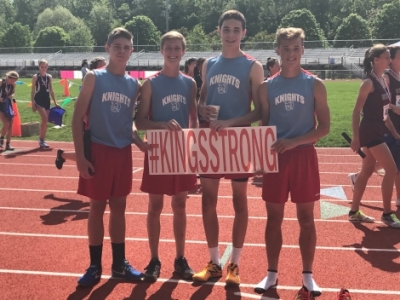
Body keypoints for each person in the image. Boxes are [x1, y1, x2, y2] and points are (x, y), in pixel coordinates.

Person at [254, 27, 330, 298]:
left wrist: (295, 142)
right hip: (276, 158)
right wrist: (259, 157)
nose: (290, 53)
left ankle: (308, 275)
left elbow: (324, 128)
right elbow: (263, 127)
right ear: (277, 50)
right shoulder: (266, 87)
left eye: (296, 48)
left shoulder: (315, 84)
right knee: (273, 218)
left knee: (306, 219)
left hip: (303, 156)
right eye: (285, 48)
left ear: (303, 49)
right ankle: (271, 273)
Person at [192, 10, 264, 286]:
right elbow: (202, 101)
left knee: (239, 203)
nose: (231, 34)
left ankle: (235, 265)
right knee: (207, 201)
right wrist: (202, 109)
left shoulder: (252, 66)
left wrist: (231, 122)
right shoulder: (209, 64)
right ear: (218, 31)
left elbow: (260, 111)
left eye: (236, 30)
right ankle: (213, 262)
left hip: (239, 142)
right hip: (212, 140)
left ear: (244, 33)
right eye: (226, 29)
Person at [72, 27, 147, 287]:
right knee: (96, 208)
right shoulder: (94, 77)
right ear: (108, 48)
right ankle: (94, 266)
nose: (122, 51)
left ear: (132, 51)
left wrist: (140, 144)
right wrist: (80, 157)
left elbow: (130, 123)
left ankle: (119, 264)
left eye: (127, 47)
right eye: (118, 46)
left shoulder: (134, 85)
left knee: (119, 209)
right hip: (99, 149)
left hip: (122, 152)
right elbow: (76, 118)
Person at [135, 30, 199, 282]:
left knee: (180, 205)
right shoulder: (150, 83)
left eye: (177, 48)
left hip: (182, 152)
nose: (173, 52)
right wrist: (161, 125)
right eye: (168, 48)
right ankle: (154, 259)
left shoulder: (190, 83)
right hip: (159, 150)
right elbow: (140, 122)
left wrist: (196, 148)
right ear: (161, 51)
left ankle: (180, 258)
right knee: (155, 206)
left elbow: (193, 119)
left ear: (183, 52)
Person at [347, 44, 400, 228]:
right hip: (370, 132)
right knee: (392, 170)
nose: (389, 60)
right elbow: (355, 112)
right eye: (386, 57)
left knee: (367, 171)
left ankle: (354, 211)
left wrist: (394, 133)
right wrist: (355, 137)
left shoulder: (383, 82)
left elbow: (385, 113)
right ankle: (387, 214)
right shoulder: (368, 82)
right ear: (375, 60)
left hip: (380, 129)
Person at [55, 57, 107, 169]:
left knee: (93, 156)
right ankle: (62, 155)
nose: (105, 68)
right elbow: (77, 105)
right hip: (89, 125)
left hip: (101, 124)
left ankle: (62, 155)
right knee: (88, 156)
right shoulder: (90, 82)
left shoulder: (106, 82)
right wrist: (86, 119)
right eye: (102, 66)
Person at [30, 59, 60, 148]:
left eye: (45, 67)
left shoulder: (49, 77)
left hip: (46, 99)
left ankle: (42, 139)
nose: (43, 68)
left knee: (46, 120)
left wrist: (55, 102)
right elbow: (32, 91)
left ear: (47, 67)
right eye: (42, 67)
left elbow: (51, 90)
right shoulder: (35, 77)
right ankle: (41, 140)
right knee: (44, 118)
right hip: (38, 99)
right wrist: (32, 103)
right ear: (39, 67)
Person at [0, 71, 19, 151]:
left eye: (15, 80)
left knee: (10, 124)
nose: (13, 82)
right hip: (0, 105)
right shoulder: (1, 82)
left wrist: (11, 95)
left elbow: (13, 92)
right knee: (6, 123)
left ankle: (8, 144)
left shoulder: (13, 85)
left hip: (8, 104)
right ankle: (1, 139)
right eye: (12, 80)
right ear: (9, 77)